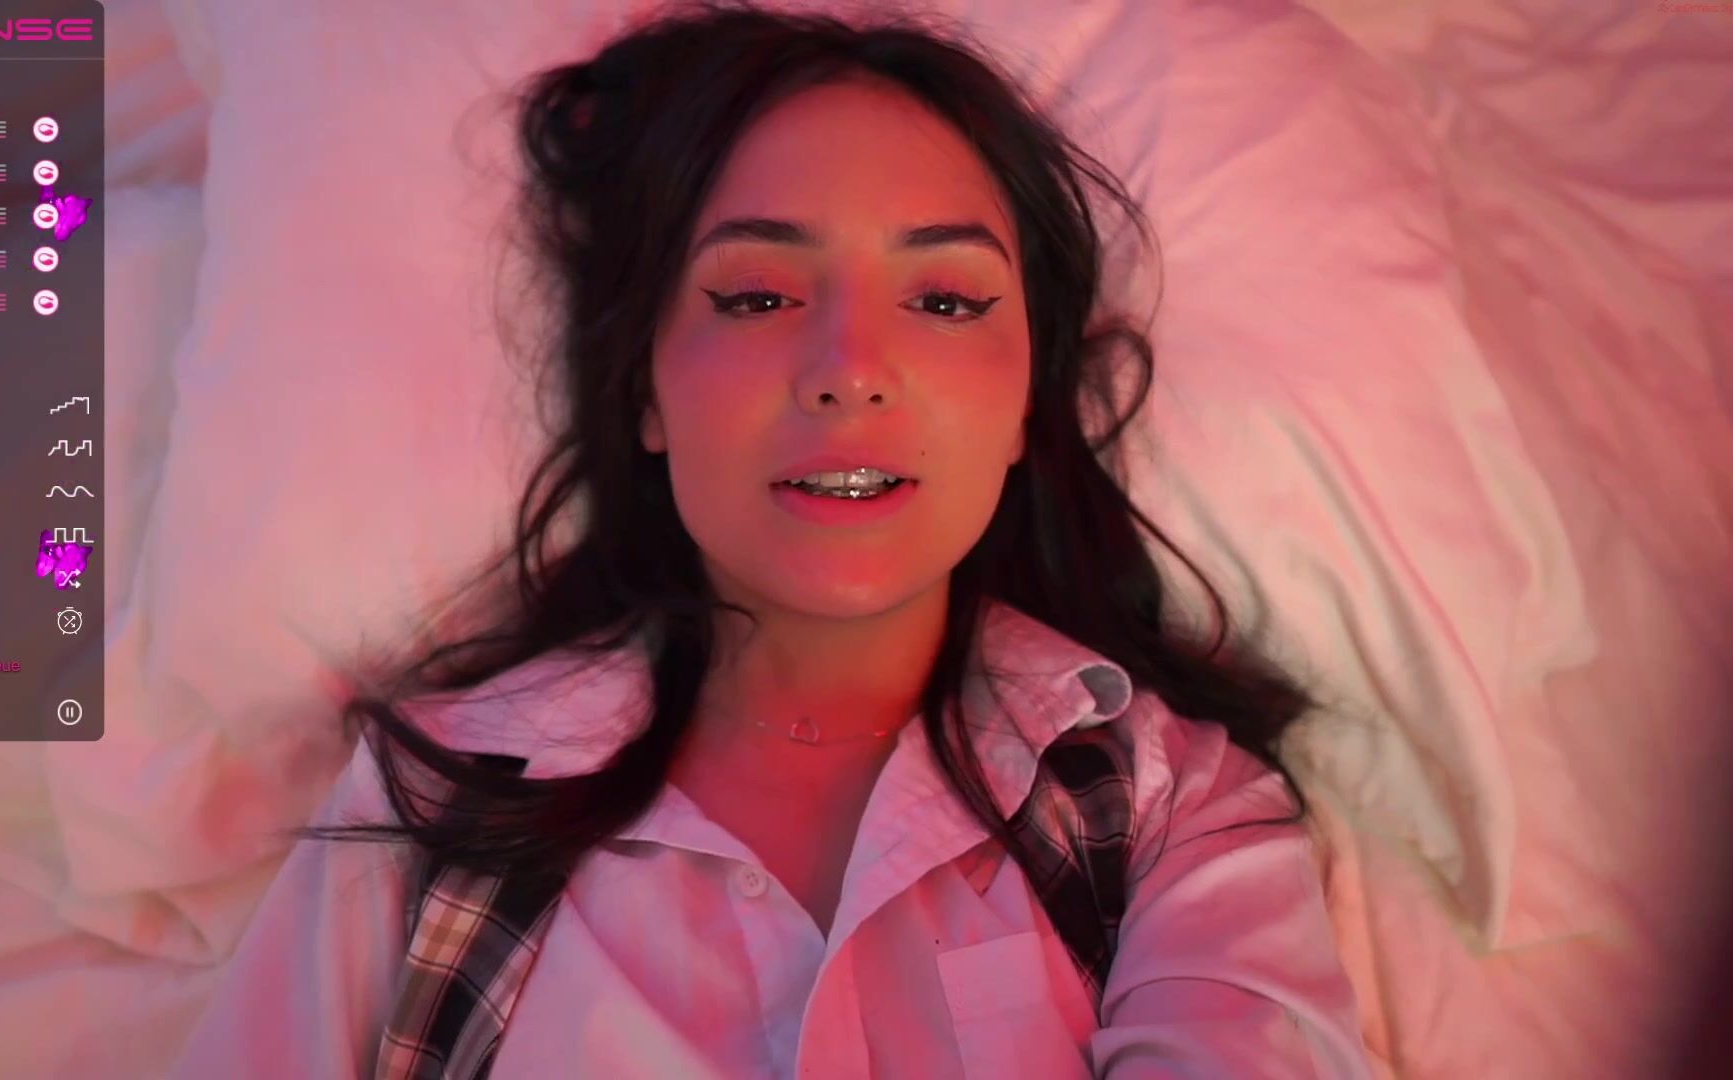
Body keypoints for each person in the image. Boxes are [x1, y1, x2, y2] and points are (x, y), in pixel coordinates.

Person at [171, 2, 1372, 1076]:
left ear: (1025, 408)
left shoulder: (1175, 816)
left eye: (944, 300)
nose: (849, 369)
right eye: (756, 297)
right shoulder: (434, 815)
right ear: (644, 390)